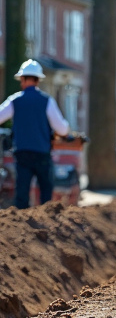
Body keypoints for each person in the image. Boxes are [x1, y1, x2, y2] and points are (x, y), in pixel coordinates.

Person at [0, 59, 69, 208]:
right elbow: (62, 129)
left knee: (22, 194)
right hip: (42, 154)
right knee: (46, 193)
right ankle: (47, 222)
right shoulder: (47, 101)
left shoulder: (15, 100)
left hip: (22, 154)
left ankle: (21, 225)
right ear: (38, 80)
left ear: (23, 79)